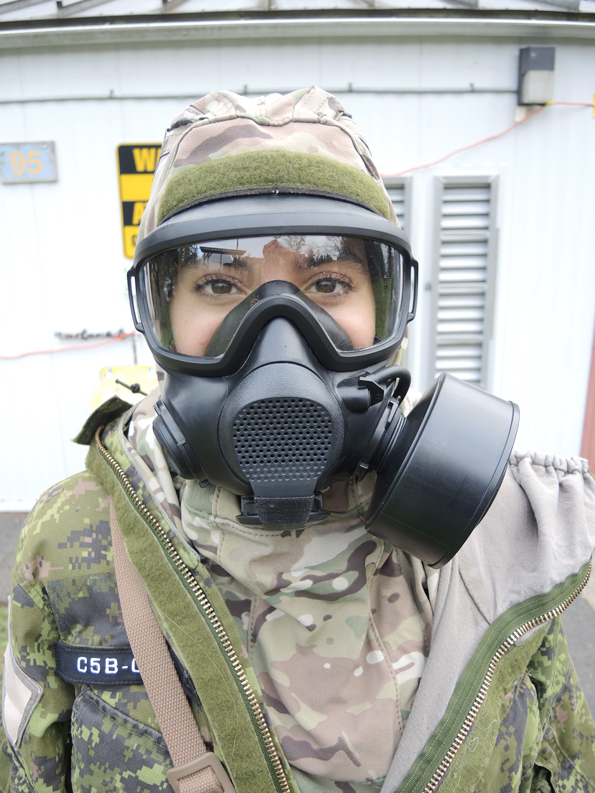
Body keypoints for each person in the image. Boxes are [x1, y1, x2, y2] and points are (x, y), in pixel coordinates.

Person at [1, 87, 594, 793]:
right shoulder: (74, 534)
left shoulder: (493, 529)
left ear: (386, 309)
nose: (278, 330)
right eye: (219, 283)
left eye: (329, 280)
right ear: (161, 315)